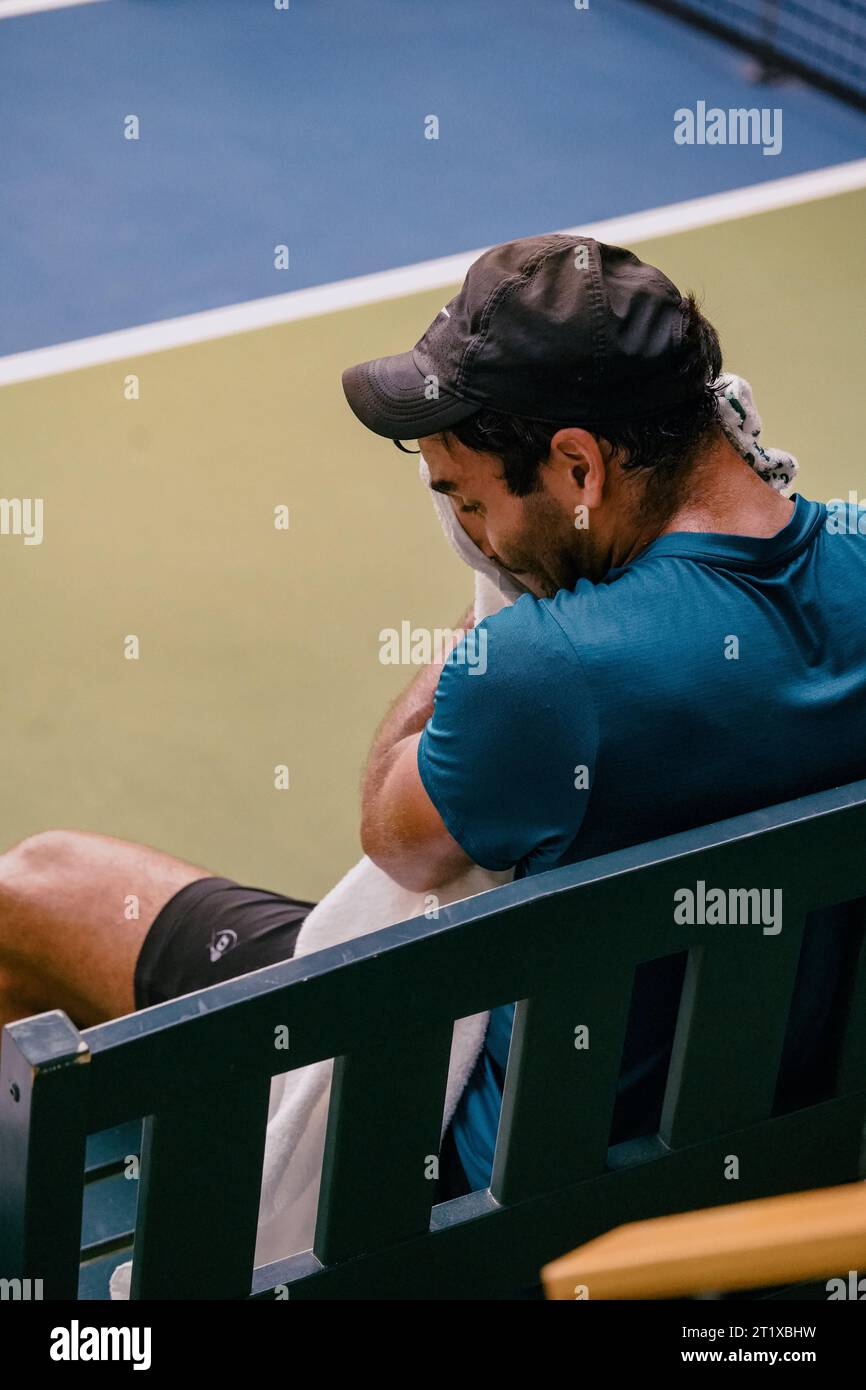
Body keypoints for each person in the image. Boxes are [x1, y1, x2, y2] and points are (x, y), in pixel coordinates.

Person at [1, 234, 864, 1202]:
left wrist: (489, 605)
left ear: (578, 469)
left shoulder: (550, 672)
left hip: (462, 1186)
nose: (470, 534)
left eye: (465, 501)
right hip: (779, 1157)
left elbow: (391, 834)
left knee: (33, 887)